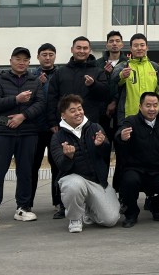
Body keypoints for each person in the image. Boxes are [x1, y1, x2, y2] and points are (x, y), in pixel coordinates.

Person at [0, 47, 44, 226]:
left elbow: (40, 103)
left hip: (28, 132)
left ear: (29, 62)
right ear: (11, 60)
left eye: (25, 60)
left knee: (26, 172)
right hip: (3, 132)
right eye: (18, 59)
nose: (21, 62)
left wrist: (23, 116)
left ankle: (23, 208)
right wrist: (16, 99)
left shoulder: (35, 81)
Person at [49, 94, 121, 232]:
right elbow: (61, 166)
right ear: (63, 115)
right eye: (73, 110)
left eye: (80, 109)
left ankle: (88, 210)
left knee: (110, 220)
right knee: (73, 184)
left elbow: (106, 155)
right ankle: (75, 218)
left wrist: (101, 145)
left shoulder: (95, 127)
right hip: (74, 180)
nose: (78, 113)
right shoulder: (57, 137)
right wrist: (68, 157)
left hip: (96, 182)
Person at [115, 92, 159, 228]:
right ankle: (131, 214)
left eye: (155, 105)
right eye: (148, 105)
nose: (152, 109)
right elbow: (119, 135)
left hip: (158, 171)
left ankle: (155, 206)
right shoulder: (131, 121)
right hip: (136, 170)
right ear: (140, 106)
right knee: (128, 181)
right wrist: (121, 137)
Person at [46, 36, 109, 132]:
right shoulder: (60, 72)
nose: (82, 51)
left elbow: (105, 95)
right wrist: (52, 122)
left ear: (89, 50)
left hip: (90, 124)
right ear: (72, 50)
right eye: (78, 48)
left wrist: (93, 85)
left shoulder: (98, 71)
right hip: (65, 124)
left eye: (85, 48)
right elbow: (52, 98)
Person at [30, 43, 63, 218]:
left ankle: (58, 201)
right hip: (35, 128)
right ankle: (26, 203)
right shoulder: (31, 76)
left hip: (55, 128)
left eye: (51, 54)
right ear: (38, 57)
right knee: (32, 166)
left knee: (57, 165)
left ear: (55, 56)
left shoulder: (61, 75)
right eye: (44, 54)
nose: (48, 57)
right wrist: (37, 84)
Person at [113, 33, 159, 123]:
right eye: (135, 45)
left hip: (153, 116)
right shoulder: (123, 66)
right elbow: (113, 82)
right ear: (130, 49)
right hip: (129, 117)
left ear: (147, 47)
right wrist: (122, 76)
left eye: (142, 45)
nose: (139, 48)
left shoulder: (155, 67)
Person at [95, 30, 124, 139]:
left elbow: (126, 86)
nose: (114, 44)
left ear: (122, 44)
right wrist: (106, 74)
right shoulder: (97, 63)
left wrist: (115, 101)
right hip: (101, 112)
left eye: (117, 41)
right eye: (111, 41)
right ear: (106, 45)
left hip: (121, 110)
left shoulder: (128, 63)